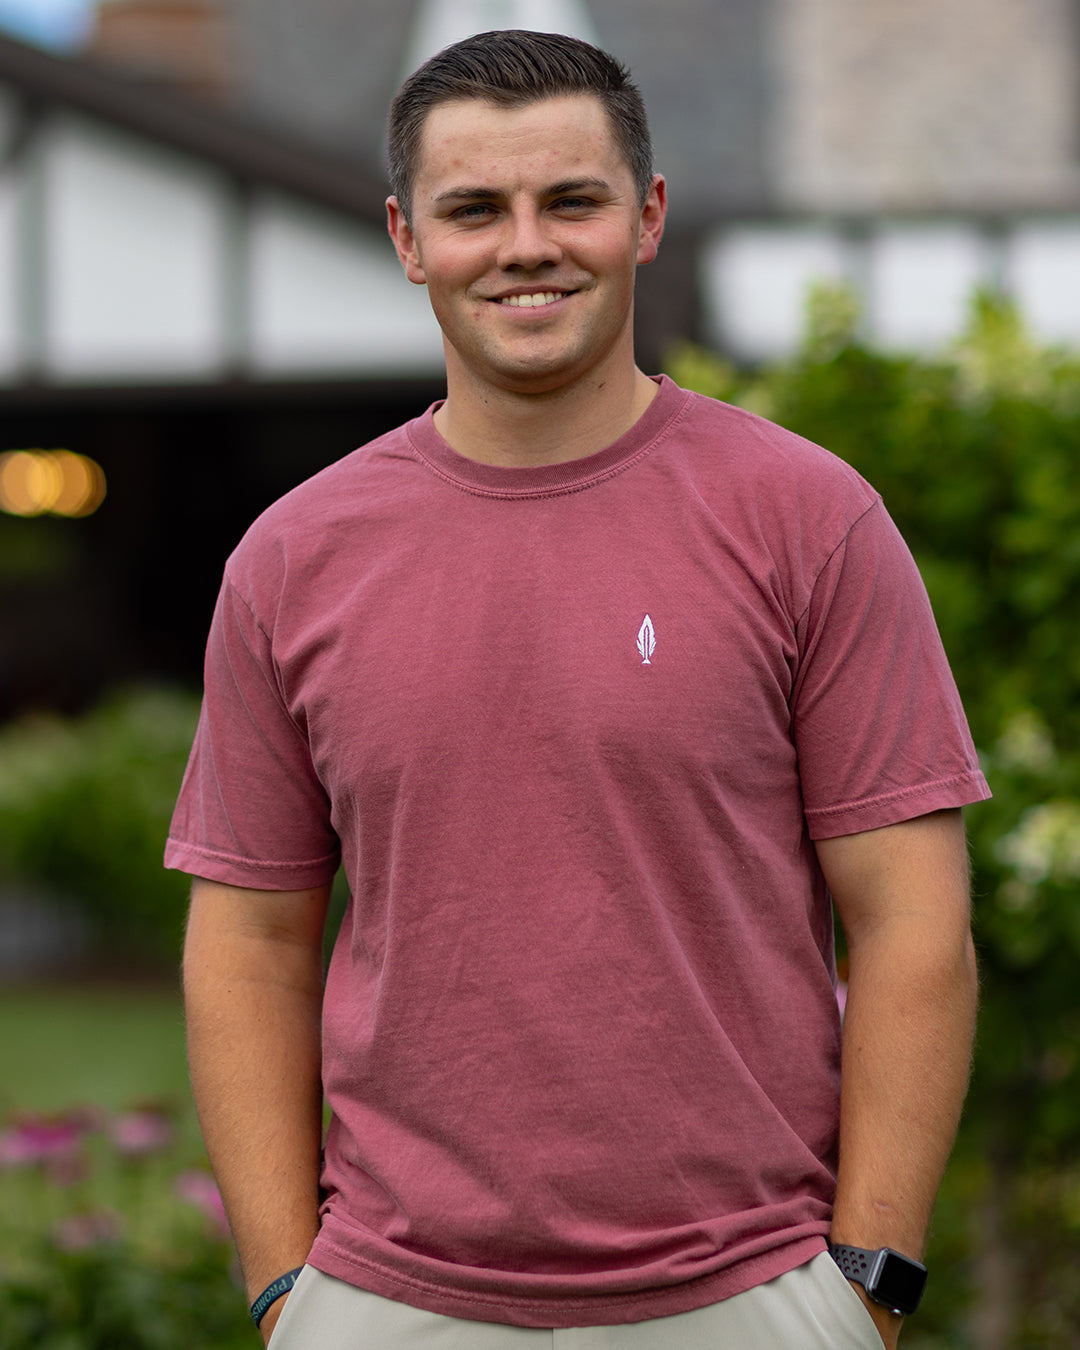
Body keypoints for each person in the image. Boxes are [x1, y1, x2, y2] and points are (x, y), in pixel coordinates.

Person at [168, 28, 990, 1350]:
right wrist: (284, 1292)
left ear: (646, 216)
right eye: (474, 210)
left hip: (751, 1293)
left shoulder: (806, 519)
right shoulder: (293, 559)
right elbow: (250, 945)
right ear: (406, 237)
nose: (525, 245)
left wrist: (869, 1285)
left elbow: (914, 925)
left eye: (572, 200)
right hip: (389, 1300)